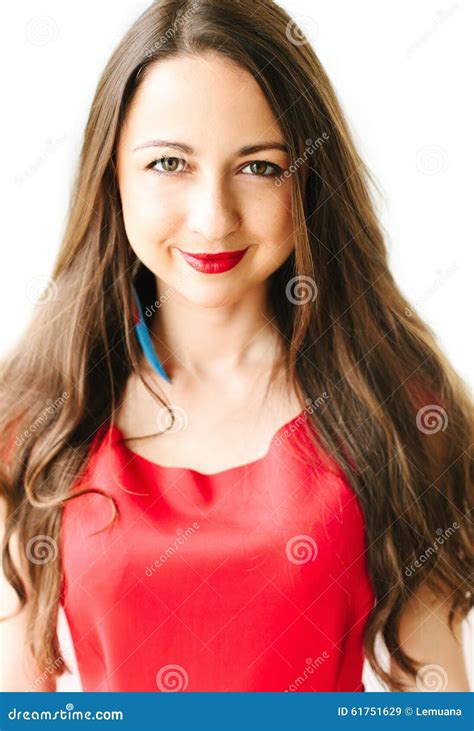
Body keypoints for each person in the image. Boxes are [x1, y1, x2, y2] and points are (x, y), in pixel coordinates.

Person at [0, 0, 471, 693]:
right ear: (113, 178)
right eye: (169, 163)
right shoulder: (37, 419)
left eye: (258, 167)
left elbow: (434, 699)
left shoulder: (397, 406)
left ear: (308, 177)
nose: (213, 217)